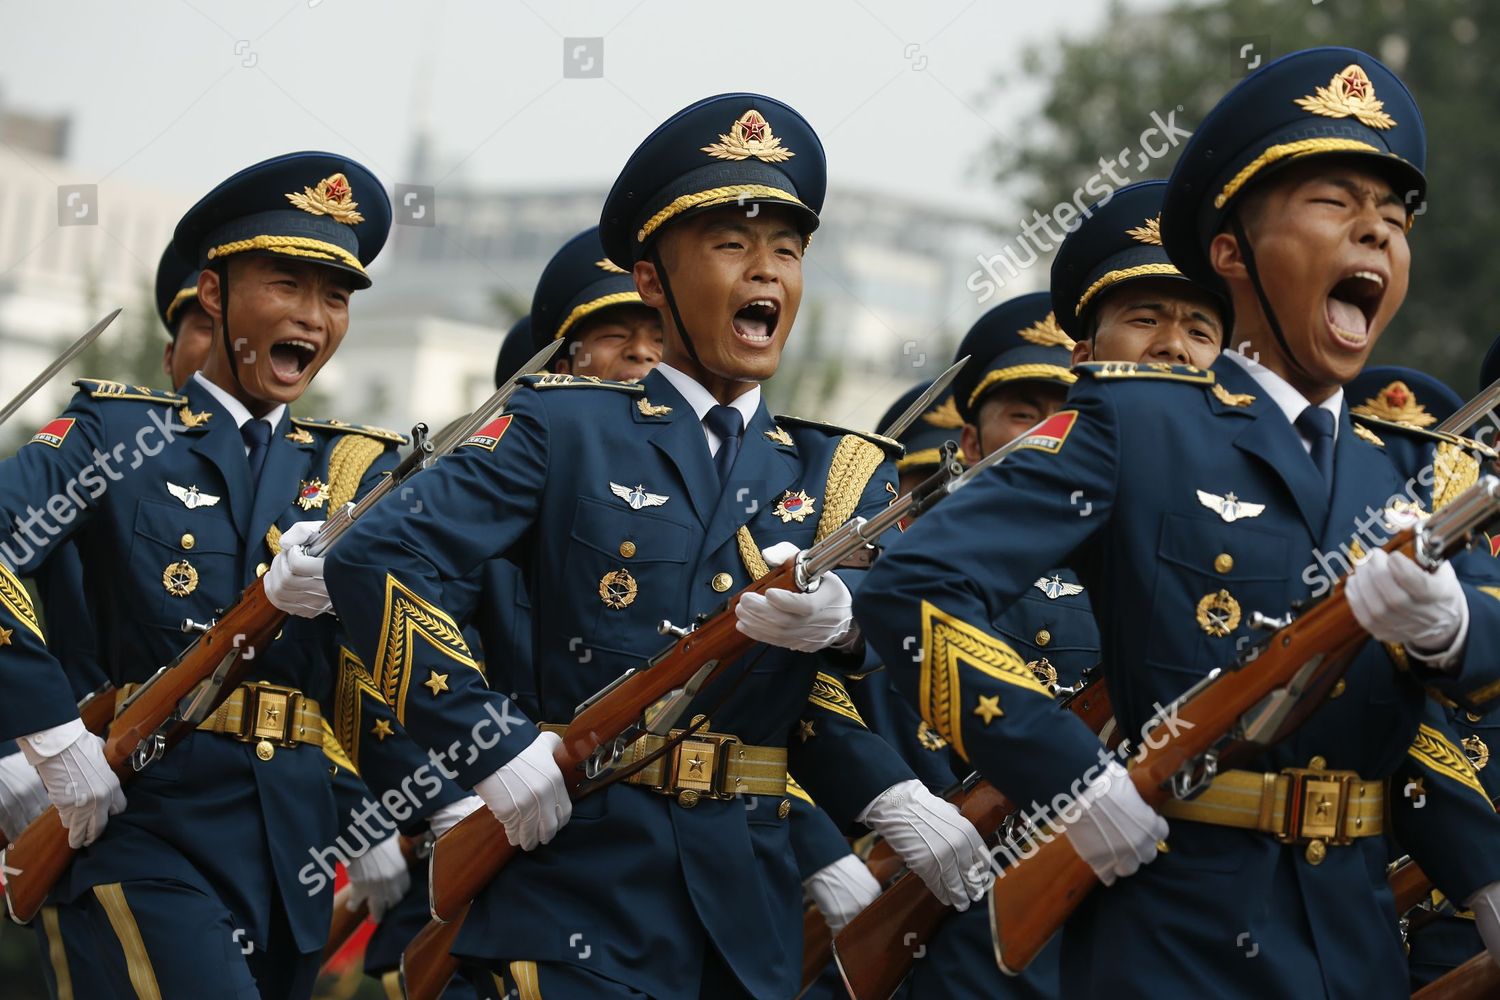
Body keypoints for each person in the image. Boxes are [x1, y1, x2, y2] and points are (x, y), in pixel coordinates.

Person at [856, 47, 1500, 996]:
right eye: (1334, 204)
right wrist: (1072, 778)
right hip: (1178, 936)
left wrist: (1452, 632)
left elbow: (1425, 727)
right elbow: (916, 587)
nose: (1375, 234)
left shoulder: (1423, 470)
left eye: (1395, 220)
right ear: (1232, 252)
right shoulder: (1132, 425)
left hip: (1354, 947)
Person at [324, 94, 990, 998]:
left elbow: (843, 684)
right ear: (651, 280)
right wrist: (492, 744)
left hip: (743, 908)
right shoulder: (562, 431)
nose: (767, 272)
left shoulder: (841, 473)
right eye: (731, 247)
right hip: (576, 885)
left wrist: (851, 649)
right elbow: (374, 558)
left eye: (786, 253)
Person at [0, 152, 467, 998]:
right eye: (287, 286)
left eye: (334, 297)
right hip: (141, 831)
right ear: (214, 295)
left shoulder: (351, 470)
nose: (314, 318)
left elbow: (380, 664)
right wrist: (49, 737)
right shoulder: (116, 434)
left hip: (290, 848)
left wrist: (445, 795)